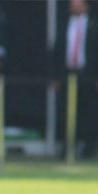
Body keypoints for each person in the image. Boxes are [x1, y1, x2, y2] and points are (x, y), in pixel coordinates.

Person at [52, 0, 98, 158]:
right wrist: (55, 76)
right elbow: (56, 50)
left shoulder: (94, 25)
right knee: (67, 113)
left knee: (90, 112)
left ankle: (89, 149)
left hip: (88, 75)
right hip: (68, 74)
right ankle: (67, 148)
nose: (73, 7)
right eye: (72, 4)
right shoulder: (64, 24)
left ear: (86, 6)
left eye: (77, 4)